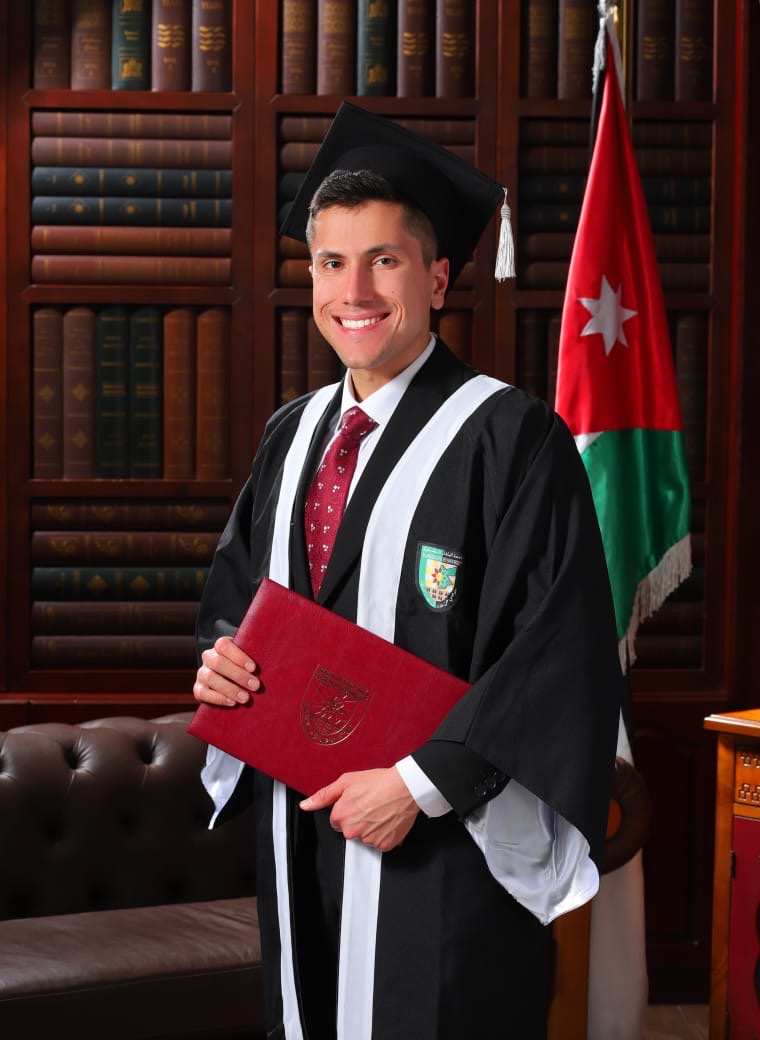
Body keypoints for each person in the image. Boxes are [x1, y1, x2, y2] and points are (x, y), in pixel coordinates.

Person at [193, 102, 622, 1040]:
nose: (354, 289)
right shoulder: (292, 434)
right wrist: (222, 661)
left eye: (383, 260)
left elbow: (558, 651)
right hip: (298, 821)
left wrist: (419, 785)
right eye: (331, 263)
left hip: (440, 843)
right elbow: (234, 601)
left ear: (437, 277)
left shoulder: (511, 437)